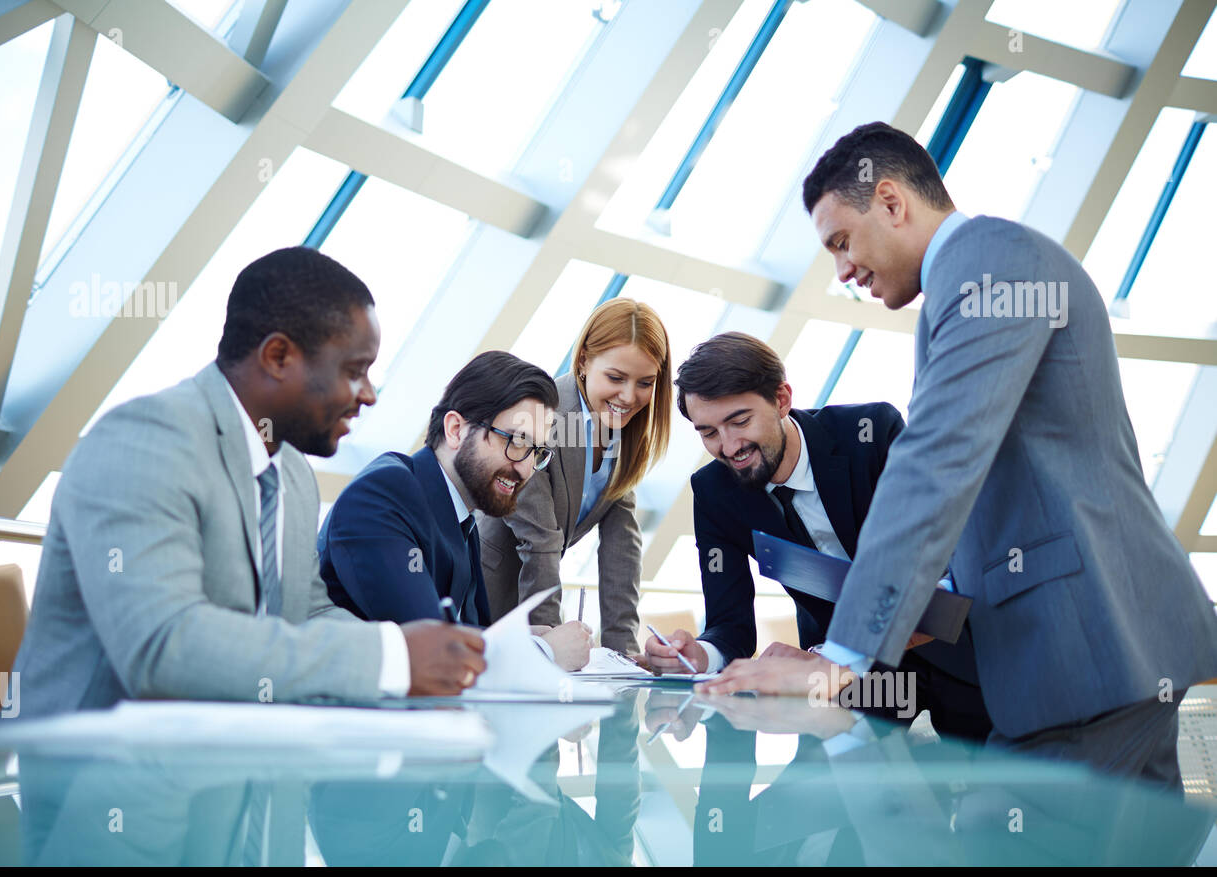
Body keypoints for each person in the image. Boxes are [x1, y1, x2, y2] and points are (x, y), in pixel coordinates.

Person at [704, 122, 1217, 785]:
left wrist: (842, 659)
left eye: (841, 241)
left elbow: (936, 461)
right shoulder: (974, 277)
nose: (842, 270)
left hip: (1090, 660)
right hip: (1112, 663)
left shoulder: (991, 265)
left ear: (891, 202)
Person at [10, 247, 485, 717]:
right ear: (278, 356)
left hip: (240, 760)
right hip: (101, 778)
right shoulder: (143, 441)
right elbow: (163, 648)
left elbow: (308, 613)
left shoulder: (293, 475)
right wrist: (389, 659)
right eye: (354, 371)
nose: (369, 395)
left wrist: (427, 657)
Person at [643, 332, 991, 741]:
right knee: (811, 799)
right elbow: (729, 625)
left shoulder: (872, 434)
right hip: (838, 687)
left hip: (954, 654)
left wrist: (829, 658)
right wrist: (699, 655)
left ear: (782, 399)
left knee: (999, 784)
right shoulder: (714, 492)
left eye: (740, 421)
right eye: (709, 433)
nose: (729, 446)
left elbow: (945, 577)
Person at [318, 351, 593, 669]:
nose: (527, 468)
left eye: (537, 451)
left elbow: (458, 627)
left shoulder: (462, 514)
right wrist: (541, 652)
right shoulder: (382, 496)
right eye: (516, 441)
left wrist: (514, 637)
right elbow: (430, 650)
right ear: (455, 429)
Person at [479, 298, 672, 656]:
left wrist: (621, 652)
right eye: (615, 378)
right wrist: (550, 643)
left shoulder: (621, 437)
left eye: (645, 382)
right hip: (479, 597)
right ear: (583, 359)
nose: (629, 396)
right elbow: (539, 539)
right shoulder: (540, 417)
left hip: (529, 605)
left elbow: (622, 550)